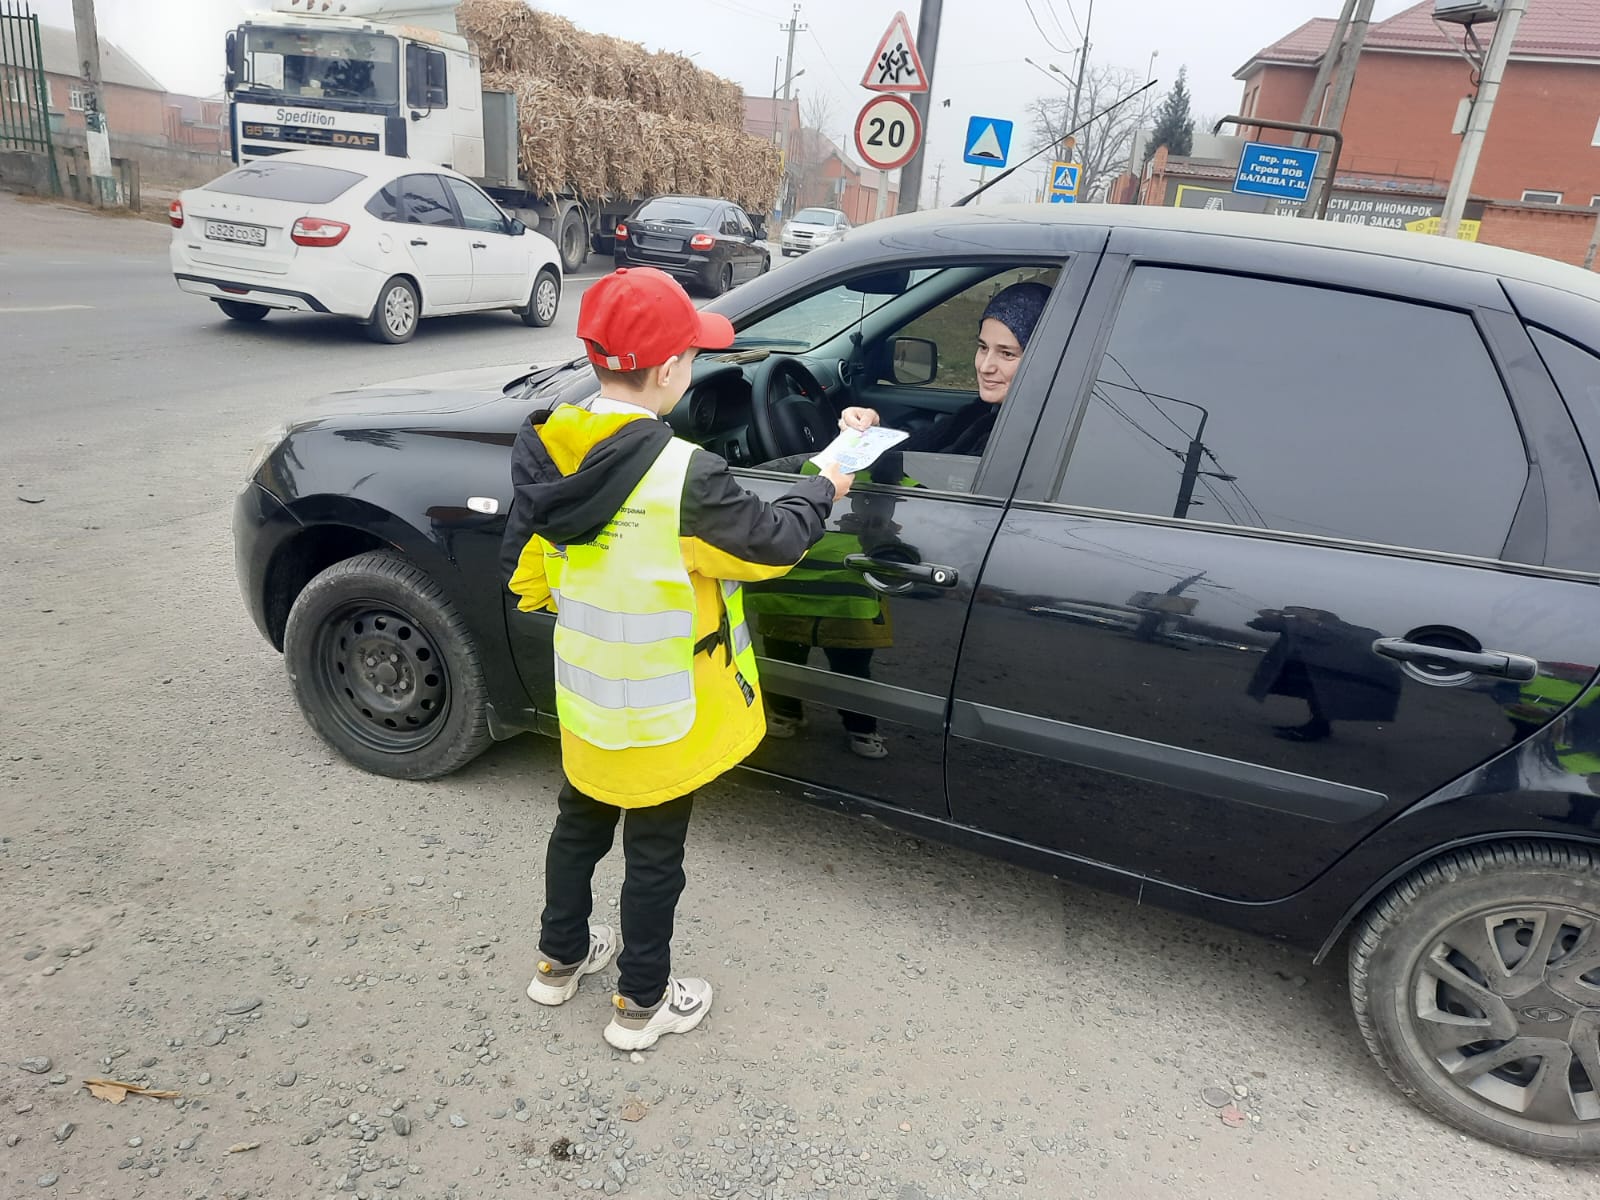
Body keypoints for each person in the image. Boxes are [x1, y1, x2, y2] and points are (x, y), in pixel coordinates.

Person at [501, 267, 853, 1051]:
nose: (691, 369)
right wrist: (823, 485)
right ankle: (641, 1005)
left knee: (577, 827)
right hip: (662, 717)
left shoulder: (550, 447)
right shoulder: (683, 477)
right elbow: (770, 547)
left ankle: (557, 963)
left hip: (586, 706)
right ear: (667, 371)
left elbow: (529, 572)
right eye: (692, 356)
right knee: (654, 856)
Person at [837, 280, 1052, 458]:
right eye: (983, 347)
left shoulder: (1023, 441)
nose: (985, 367)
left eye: (1007, 354)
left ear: (1042, 358)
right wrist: (872, 430)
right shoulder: (984, 412)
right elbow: (919, 451)